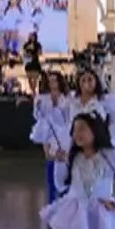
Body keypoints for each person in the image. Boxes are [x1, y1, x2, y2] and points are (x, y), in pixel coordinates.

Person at [29, 71, 71, 203]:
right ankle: (52, 206)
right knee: (51, 177)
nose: (53, 83)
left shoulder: (68, 98)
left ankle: (66, 206)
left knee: (65, 178)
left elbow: (69, 118)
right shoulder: (42, 99)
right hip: (50, 136)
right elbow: (38, 117)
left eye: (55, 80)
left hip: (65, 137)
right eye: (50, 80)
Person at [68, 67, 115, 150]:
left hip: (103, 146)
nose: (86, 83)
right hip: (81, 147)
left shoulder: (106, 99)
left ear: (96, 81)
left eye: (90, 79)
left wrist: (106, 136)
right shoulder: (73, 102)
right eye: (83, 80)